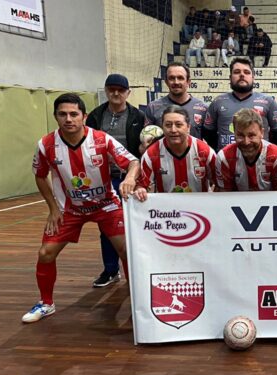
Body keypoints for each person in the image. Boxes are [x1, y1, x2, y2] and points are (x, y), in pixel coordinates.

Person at [24, 93, 140, 323]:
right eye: (63, 114)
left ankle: (137, 300)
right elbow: (39, 176)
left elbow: (133, 162)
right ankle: (46, 303)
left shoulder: (101, 139)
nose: (68, 119)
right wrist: (53, 208)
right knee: (45, 253)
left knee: (126, 250)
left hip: (106, 205)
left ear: (84, 117)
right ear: (56, 117)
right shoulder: (46, 144)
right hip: (70, 209)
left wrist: (129, 178)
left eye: (74, 114)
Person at [85, 74, 145, 288]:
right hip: (103, 177)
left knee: (135, 225)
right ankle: (111, 270)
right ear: (106, 90)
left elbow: (144, 147)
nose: (116, 93)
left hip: (132, 177)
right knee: (106, 225)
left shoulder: (139, 115)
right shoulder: (95, 116)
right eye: (112, 89)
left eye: (121, 90)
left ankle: (137, 270)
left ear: (128, 92)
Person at [203, 57, 277, 151]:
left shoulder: (268, 102)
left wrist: (263, 150)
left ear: (253, 77)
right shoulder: (217, 102)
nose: (242, 75)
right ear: (230, 78)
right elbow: (208, 134)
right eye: (237, 72)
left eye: (246, 72)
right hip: (228, 162)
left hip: (259, 162)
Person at [135, 106, 216, 198]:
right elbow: (141, 185)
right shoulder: (151, 154)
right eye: (168, 125)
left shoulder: (205, 151)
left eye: (178, 125)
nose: (173, 130)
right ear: (162, 127)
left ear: (188, 127)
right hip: (167, 211)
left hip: (200, 209)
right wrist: (140, 190)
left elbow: (220, 184)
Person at [214, 108, 277, 191]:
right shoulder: (224, 158)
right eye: (240, 135)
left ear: (262, 133)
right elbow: (225, 195)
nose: (246, 142)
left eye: (251, 135)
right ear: (234, 134)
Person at [145, 62, 208, 139]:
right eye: (171, 78)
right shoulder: (153, 107)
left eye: (180, 78)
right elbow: (146, 140)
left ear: (188, 82)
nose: (176, 82)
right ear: (166, 82)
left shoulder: (203, 109)